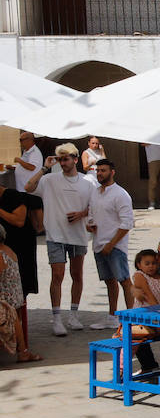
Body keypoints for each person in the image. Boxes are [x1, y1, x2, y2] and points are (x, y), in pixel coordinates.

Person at [26, 143, 93, 336]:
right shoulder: (49, 179)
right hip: (55, 234)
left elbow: (94, 205)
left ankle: (73, 315)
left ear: (75, 159)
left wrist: (81, 214)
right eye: (60, 159)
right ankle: (57, 318)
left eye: (66, 158)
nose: (63, 162)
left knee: (77, 275)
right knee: (57, 275)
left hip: (78, 235)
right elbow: (28, 187)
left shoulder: (87, 181)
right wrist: (44, 167)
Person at [88, 159, 135, 329]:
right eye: (98, 170)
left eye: (103, 170)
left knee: (124, 280)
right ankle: (112, 316)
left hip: (116, 246)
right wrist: (90, 224)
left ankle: (132, 317)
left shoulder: (120, 194)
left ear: (112, 172)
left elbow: (127, 223)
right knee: (109, 281)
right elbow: (92, 214)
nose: (100, 173)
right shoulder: (95, 192)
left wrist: (112, 243)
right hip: (98, 244)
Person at [0, 225, 38, 362]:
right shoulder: (8, 249)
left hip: (7, 297)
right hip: (14, 296)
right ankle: (23, 351)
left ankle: (22, 351)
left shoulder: (1, 253)